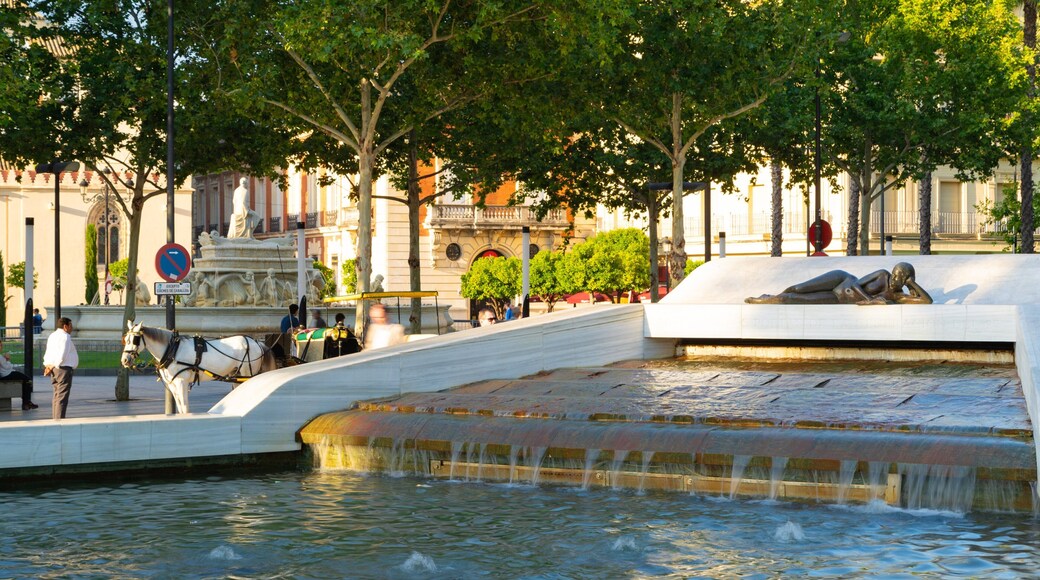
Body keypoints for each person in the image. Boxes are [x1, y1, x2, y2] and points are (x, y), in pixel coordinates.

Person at [745, 262, 933, 305]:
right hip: (842, 280)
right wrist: (870, 301)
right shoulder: (883, 274)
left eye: (900, 277)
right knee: (799, 288)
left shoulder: (897, 296)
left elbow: (927, 301)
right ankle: (770, 295)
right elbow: (856, 285)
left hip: (838, 297)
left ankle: (767, 299)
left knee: (793, 298)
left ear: (905, 279)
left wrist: (913, 284)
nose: (895, 278)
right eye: (895, 273)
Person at [43, 317, 78, 420]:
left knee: (56, 395)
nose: (72, 328)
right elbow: (62, 355)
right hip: (63, 369)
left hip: (53, 368)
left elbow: (48, 352)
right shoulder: (65, 337)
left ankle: (55, 418)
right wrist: (53, 365)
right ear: (65, 326)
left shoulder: (52, 335)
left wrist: (48, 365)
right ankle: (59, 420)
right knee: (62, 397)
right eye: (70, 325)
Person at [0, 339, 36, 410]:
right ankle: (26, 402)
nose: (1, 347)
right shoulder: (0, 357)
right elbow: (8, 367)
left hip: (7, 373)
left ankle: (27, 402)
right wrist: (8, 359)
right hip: (7, 374)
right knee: (28, 380)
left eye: (1, 345)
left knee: (25, 381)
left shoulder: (1, 356)